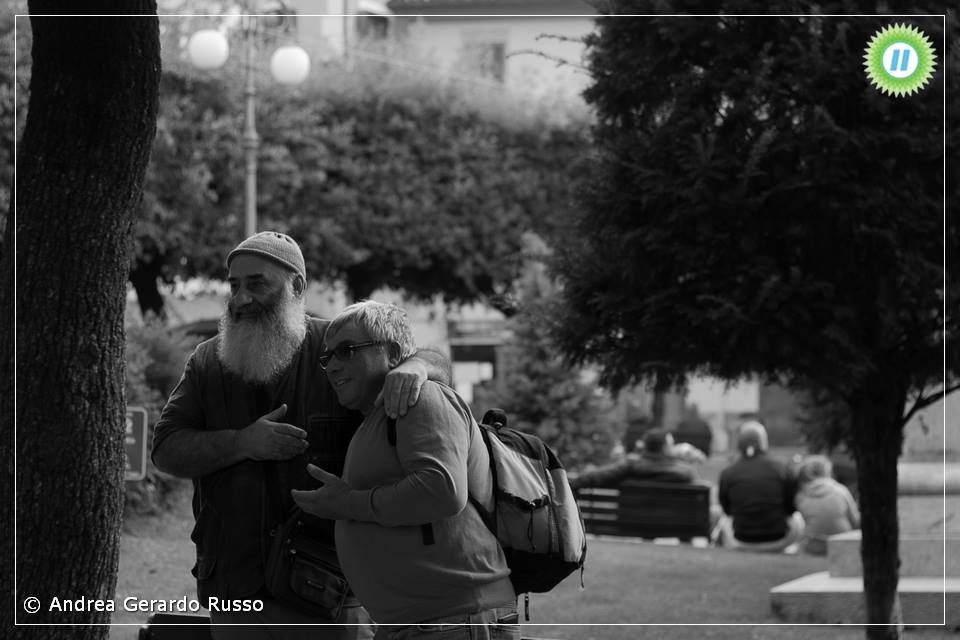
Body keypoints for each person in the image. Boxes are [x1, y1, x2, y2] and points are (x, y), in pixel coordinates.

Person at [151, 232, 452, 640]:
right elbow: (166, 449)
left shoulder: (339, 347)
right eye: (234, 286)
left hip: (333, 593)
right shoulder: (207, 361)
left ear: (296, 287)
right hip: (235, 593)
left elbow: (430, 360)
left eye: (256, 284)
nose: (241, 299)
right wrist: (243, 442)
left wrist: (417, 367)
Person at [291, 301, 519, 639]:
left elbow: (442, 491)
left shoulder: (421, 397)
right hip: (420, 623)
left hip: (452, 619)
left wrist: (345, 504)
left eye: (347, 351)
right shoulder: (378, 415)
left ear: (394, 353)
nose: (333, 366)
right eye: (328, 358)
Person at [717, 421, 804, 552]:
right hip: (779, 539)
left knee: (724, 520)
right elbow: (791, 508)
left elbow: (727, 510)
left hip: (741, 540)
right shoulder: (782, 469)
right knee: (798, 519)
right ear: (764, 442)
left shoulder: (727, 473)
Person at [569, 428, 699, 489]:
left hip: (630, 523)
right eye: (671, 445)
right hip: (671, 525)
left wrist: (573, 483)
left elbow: (598, 475)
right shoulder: (684, 472)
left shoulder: (631, 466)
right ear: (664, 448)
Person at [794, 455, 861, 555]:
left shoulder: (801, 496)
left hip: (813, 545)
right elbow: (855, 520)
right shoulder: (840, 490)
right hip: (841, 542)